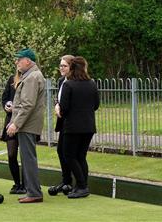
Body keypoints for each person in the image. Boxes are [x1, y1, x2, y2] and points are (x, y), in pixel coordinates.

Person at [7, 48, 45, 203]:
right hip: (27, 124)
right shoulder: (30, 75)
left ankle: (34, 192)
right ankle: (32, 191)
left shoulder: (32, 77)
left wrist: (15, 123)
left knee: (28, 159)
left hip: (27, 125)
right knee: (27, 158)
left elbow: (28, 105)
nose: (16, 62)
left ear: (28, 61)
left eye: (19, 59)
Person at [58, 56, 99, 198]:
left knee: (69, 155)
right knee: (81, 156)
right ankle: (81, 186)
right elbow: (96, 105)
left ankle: (82, 186)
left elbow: (64, 108)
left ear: (73, 68)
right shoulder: (92, 84)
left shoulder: (69, 85)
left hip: (72, 127)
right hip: (88, 126)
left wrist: (58, 109)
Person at [48, 55, 75, 196]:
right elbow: (59, 99)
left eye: (64, 66)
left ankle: (76, 183)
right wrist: (57, 105)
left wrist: (62, 107)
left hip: (73, 122)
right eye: (60, 65)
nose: (61, 68)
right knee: (61, 150)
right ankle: (66, 181)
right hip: (63, 121)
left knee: (70, 153)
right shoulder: (61, 81)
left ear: (71, 67)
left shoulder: (75, 82)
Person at [1, 71, 26, 194]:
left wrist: (16, 108)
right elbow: (5, 97)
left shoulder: (30, 79)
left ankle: (26, 185)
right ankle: (17, 183)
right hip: (10, 120)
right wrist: (6, 105)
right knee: (11, 154)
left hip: (25, 122)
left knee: (26, 155)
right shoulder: (12, 79)